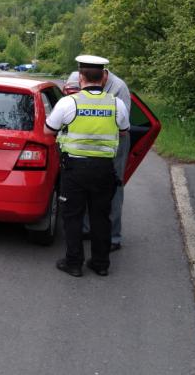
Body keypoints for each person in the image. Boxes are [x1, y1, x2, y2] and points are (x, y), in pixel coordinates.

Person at [45, 55, 129, 277]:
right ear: (103, 78)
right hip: (104, 170)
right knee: (101, 216)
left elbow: (48, 130)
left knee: (72, 216)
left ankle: (74, 263)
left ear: (81, 77)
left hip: (75, 169)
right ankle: (101, 264)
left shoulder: (68, 103)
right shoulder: (116, 103)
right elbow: (123, 131)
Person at [66, 60, 131, 252]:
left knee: (114, 187)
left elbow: (122, 127)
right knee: (84, 189)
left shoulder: (119, 88)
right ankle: (87, 230)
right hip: (83, 145)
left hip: (112, 144)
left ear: (103, 75)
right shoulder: (74, 78)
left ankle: (113, 237)